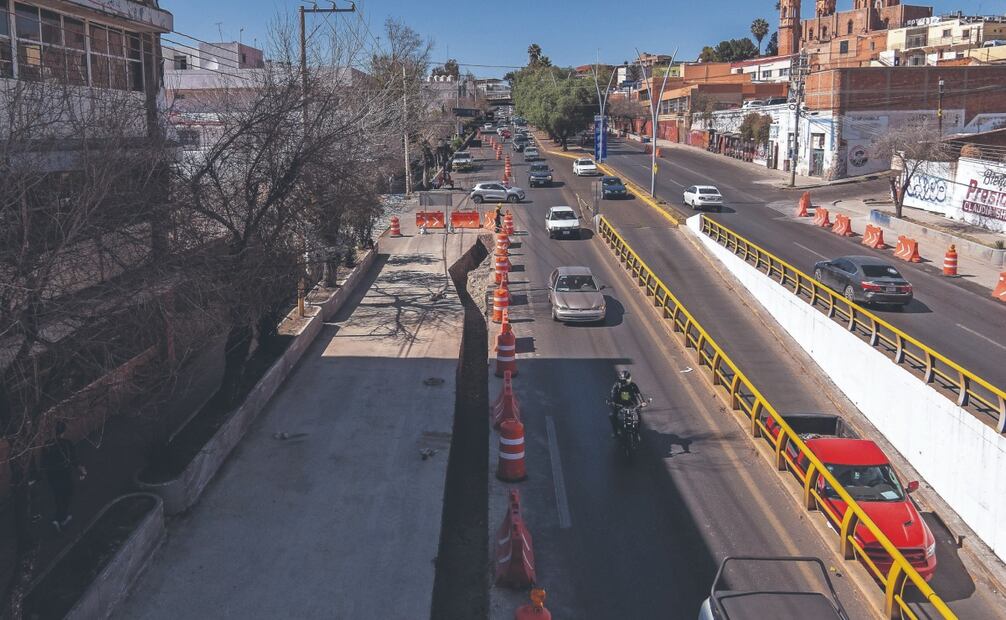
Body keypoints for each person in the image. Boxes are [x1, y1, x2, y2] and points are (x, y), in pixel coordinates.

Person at [42, 421, 86, 533]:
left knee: (58, 496)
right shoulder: (67, 443)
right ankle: (60, 518)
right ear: (63, 432)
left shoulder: (47, 445)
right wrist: (81, 469)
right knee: (68, 493)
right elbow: (74, 459)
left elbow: (44, 463)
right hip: (64, 474)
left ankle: (60, 518)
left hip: (52, 475)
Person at [609, 370, 643, 436]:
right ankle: (615, 432)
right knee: (613, 416)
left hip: (632, 404)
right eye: (623, 380)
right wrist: (613, 402)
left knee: (639, 416)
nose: (625, 381)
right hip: (620, 405)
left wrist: (642, 402)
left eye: (626, 379)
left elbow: (638, 394)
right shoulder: (617, 385)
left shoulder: (633, 385)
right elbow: (613, 394)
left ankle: (637, 431)